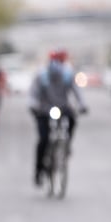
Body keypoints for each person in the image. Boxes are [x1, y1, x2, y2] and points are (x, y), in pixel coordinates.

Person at [28, 48, 88, 186]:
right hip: (44, 110)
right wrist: (33, 106)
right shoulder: (41, 76)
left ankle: (67, 144)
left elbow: (77, 91)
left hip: (62, 107)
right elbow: (33, 94)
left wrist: (82, 105)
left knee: (72, 119)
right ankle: (39, 170)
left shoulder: (67, 75)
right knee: (43, 139)